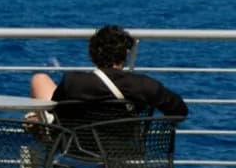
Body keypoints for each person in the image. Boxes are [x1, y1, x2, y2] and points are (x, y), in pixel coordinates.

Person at [30, 24, 188, 121]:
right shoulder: (145, 86)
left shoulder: (74, 82)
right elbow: (179, 111)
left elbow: (56, 110)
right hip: (126, 151)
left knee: (39, 80)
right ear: (126, 54)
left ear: (92, 55)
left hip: (77, 149)